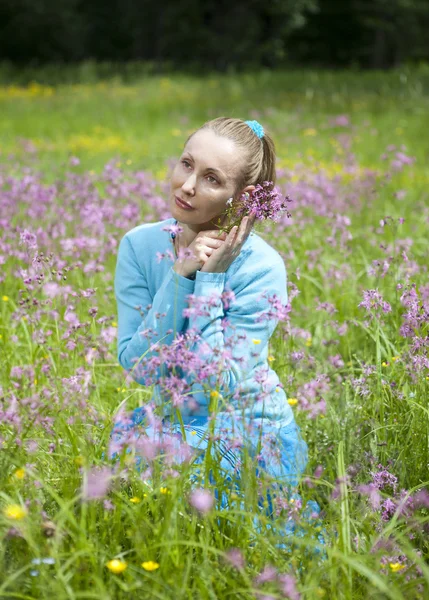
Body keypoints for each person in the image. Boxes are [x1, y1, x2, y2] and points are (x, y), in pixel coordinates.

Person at [111, 117, 324, 550]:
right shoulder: (137, 245)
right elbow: (136, 364)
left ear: (241, 198)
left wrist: (209, 280)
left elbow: (219, 384)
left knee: (243, 544)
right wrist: (179, 274)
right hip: (172, 423)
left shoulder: (262, 267)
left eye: (211, 178)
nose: (187, 185)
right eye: (186, 164)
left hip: (247, 430)